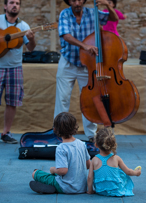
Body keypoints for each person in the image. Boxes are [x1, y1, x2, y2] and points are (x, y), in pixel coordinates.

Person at [54, 0, 119, 141]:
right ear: (68, 1)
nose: (77, 2)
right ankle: (60, 133)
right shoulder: (64, 14)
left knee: (89, 99)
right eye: (73, 0)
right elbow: (66, 36)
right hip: (68, 60)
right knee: (62, 98)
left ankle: (91, 135)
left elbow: (114, 18)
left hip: (88, 64)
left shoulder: (92, 12)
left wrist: (107, 5)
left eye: (79, 0)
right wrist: (84, 46)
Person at [0, 0, 36, 144]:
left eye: (18, 3)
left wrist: (32, 39)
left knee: (12, 102)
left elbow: (31, 48)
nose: (15, 5)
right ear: (5, 6)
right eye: (12, 2)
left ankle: (6, 133)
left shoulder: (23, 26)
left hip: (15, 68)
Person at [29, 112, 91, 194]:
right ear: (75, 127)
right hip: (81, 187)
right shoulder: (81, 143)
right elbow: (88, 165)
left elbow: (62, 171)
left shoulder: (61, 148)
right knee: (55, 176)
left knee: (35, 173)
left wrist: (53, 169)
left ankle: (54, 187)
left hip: (66, 187)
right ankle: (51, 186)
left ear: (55, 129)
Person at [87, 128, 141, 196]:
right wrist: (136, 173)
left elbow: (90, 177)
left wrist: (90, 191)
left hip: (100, 190)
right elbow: (128, 172)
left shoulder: (94, 159)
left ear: (96, 145)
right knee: (122, 173)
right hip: (116, 190)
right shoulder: (116, 158)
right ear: (113, 144)